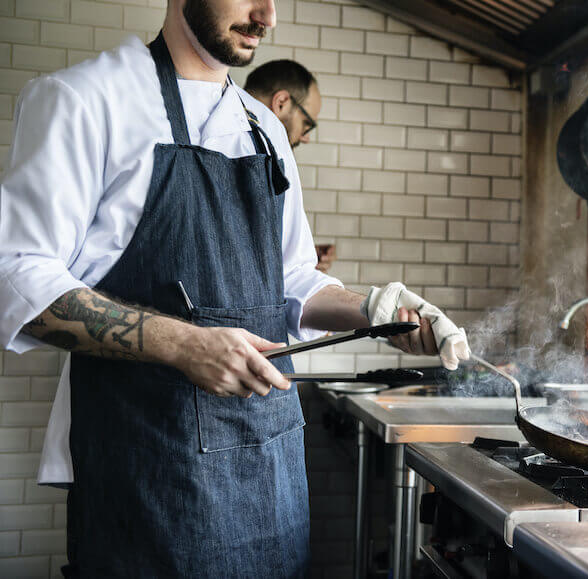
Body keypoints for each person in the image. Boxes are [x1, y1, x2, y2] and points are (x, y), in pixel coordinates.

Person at [0, 1, 470, 577]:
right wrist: (183, 345)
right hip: (148, 477)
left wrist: (375, 309)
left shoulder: (265, 129)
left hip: (270, 475)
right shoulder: (84, 100)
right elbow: (17, 275)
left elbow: (291, 279)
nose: (266, 16)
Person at [245, 59, 336, 273]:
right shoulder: (251, 157)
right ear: (282, 103)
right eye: (307, 124)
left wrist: (296, 258)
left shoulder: (266, 156)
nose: (306, 138)